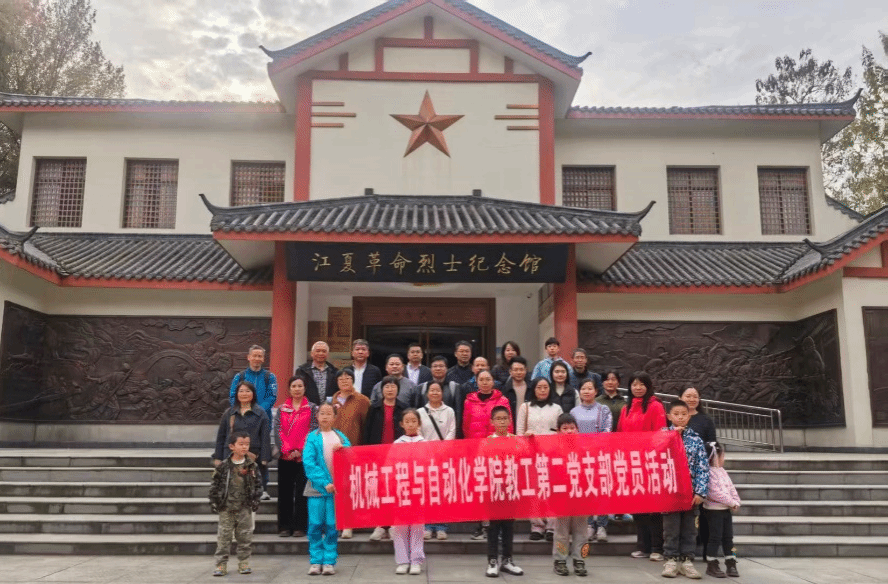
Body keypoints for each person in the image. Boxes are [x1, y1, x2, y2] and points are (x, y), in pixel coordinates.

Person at [618, 371, 667, 562]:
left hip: (650, 463)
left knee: (653, 507)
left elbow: (660, 435)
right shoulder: (626, 408)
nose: (637, 388)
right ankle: (643, 546)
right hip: (632, 464)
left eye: (641, 384)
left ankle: (657, 547)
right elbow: (620, 435)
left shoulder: (655, 406)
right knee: (638, 507)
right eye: (634, 384)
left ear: (648, 386)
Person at [661, 400, 709, 579]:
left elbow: (702, 467)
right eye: (676, 414)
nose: (680, 417)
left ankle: (687, 560)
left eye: (683, 414)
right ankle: (671, 560)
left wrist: (700, 492)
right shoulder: (662, 436)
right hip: (670, 492)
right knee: (671, 529)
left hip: (690, 493)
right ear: (669, 416)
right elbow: (656, 458)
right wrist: (673, 436)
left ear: (689, 417)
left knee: (690, 530)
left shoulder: (696, 440)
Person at [463, 370, 512, 540]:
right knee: (480, 489)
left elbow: (509, 425)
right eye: (481, 379)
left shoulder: (502, 400)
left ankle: (498, 527)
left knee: (498, 488)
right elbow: (466, 426)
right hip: (477, 450)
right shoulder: (469, 401)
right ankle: (480, 526)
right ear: (476, 382)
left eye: (488, 379)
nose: (484, 382)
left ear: (493, 381)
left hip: (498, 451)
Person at [303, 402, 350, 576]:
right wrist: (324, 482)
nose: (325, 416)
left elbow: (351, 455)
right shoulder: (312, 437)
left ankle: (329, 561)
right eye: (322, 413)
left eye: (329, 413)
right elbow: (309, 463)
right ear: (317, 416)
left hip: (336, 490)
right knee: (315, 525)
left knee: (332, 526)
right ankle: (316, 561)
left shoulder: (340, 437)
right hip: (316, 489)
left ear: (335, 417)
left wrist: (344, 449)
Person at [210, 431, 262, 577]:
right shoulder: (223, 466)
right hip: (226, 507)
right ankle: (221, 564)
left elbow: (258, 484)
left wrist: (255, 500)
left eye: (247, 444)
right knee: (224, 537)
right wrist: (215, 502)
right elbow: (215, 485)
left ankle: (244, 562)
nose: (245, 447)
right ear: (232, 446)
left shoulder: (252, 466)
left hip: (244, 507)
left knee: (244, 537)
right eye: (241, 444)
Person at [516, 377, 562, 541]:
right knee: (533, 490)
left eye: (545, 387)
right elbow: (519, 432)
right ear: (533, 389)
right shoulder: (525, 407)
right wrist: (526, 438)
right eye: (539, 387)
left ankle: (552, 526)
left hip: (551, 455)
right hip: (531, 455)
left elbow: (561, 432)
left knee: (551, 490)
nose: (542, 390)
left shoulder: (556, 408)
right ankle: (536, 525)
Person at [228, 345, 276, 496]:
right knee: (241, 451)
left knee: (261, 453)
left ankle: (263, 487)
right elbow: (232, 396)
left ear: (263, 358)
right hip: (242, 419)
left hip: (262, 420)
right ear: (248, 357)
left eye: (259, 356)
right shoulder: (240, 377)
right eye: (254, 355)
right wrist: (245, 409)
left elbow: (272, 397)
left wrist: (257, 411)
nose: (257, 359)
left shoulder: (269, 377)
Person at [275, 375, 318, 538]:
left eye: (300, 386)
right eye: (294, 386)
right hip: (285, 457)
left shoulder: (312, 408)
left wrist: (300, 450)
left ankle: (300, 526)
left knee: (302, 492)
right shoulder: (282, 408)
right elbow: (278, 430)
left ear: (305, 388)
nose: (297, 389)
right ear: (289, 389)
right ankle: (284, 526)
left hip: (304, 457)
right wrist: (287, 450)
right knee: (285, 493)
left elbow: (313, 430)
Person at [329, 368, 369, 540]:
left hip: (354, 451)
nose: (344, 381)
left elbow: (367, 426)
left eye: (348, 378)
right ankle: (337, 522)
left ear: (353, 380)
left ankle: (349, 524)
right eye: (341, 379)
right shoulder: (331, 401)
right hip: (333, 451)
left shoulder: (362, 401)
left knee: (351, 489)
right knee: (336, 489)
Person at [570, 379, 613, 543]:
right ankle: (588, 524)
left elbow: (607, 431)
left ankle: (602, 525)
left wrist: (594, 446)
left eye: (590, 388)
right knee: (586, 490)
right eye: (583, 388)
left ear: (596, 391)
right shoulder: (574, 412)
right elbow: (572, 433)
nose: (586, 391)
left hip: (600, 455)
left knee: (602, 490)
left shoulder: (603, 410)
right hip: (581, 456)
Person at [213, 380, 272, 500]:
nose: (244, 394)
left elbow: (265, 437)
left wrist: (265, 457)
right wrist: (218, 457)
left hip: (252, 455)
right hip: (230, 455)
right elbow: (221, 436)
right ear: (236, 394)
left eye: (247, 391)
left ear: (253, 394)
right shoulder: (229, 413)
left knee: (251, 490)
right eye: (241, 391)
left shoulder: (261, 413)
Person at [365, 376, 407, 541]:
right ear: (381, 390)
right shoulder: (374, 408)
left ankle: (395, 524)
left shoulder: (403, 408)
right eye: (387, 387)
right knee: (380, 491)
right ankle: (381, 525)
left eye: (393, 386)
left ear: (398, 390)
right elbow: (367, 431)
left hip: (398, 455)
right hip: (378, 456)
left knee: (396, 490)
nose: (390, 389)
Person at [485, 405, 524, 579]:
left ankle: (507, 560)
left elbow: (523, 459)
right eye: (498, 419)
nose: (502, 421)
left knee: (508, 527)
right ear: (492, 422)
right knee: (493, 528)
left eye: (504, 418)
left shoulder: (515, 440)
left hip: (510, 489)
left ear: (510, 421)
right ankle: (492, 561)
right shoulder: (488, 441)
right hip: (494, 490)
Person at [416, 381, 456, 540]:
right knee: (427, 492)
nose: (434, 393)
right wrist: (428, 449)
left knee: (442, 492)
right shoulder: (420, 412)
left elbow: (452, 430)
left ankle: (441, 527)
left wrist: (443, 448)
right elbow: (418, 432)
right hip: (425, 457)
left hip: (444, 457)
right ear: (427, 393)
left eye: (437, 390)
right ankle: (427, 526)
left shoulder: (449, 411)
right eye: (431, 390)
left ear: (442, 393)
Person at [680, 386, 717, 559]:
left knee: (701, 511)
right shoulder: (676, 418)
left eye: (695, 396)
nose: (691, 399)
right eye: (688, 396)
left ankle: (702, 546)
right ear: (680, 398)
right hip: (679, 472)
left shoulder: (705, 420)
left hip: (699, 471)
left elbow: (713, 444)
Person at [551, 413, 588, 577]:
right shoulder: (554, 451)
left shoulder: (584, 449)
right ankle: (560, 560)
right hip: (562, 497)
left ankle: (580, 560)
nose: (569, 431)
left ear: (578, 430)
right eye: (565, 428)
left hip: (581, 495)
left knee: (582, 532)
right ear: (558, 431)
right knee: (561, 532)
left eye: (572, 428)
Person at [390, 408, 426, 575]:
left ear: (419, 423)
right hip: (401, 488)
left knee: (418, 526)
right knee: (400, 526)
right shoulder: (397, 444)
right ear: (401, 424)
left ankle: (416, 560)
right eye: (407, 421)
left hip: (419, 488)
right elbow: (390, 465)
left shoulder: (424, 443)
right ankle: (402, 560)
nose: (411, 424)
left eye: (414, 421)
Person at [703, 442, 741, 578]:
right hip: (714, 510)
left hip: (726, 510)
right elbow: (714, 493)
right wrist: (731, 502)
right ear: (714, 457)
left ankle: (731, 562)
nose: (723, 458)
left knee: (728, 538)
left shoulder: (722, 471)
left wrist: (736, 501)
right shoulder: (708, 473)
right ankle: (711, 563)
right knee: (715, 537)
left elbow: (731, 487)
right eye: (722, 456)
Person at [501, 355, 529, 428]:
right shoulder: (504, 390)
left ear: (526, 370)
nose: (518, 372)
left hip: (529, 427)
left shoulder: (532, 388)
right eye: (515, 370)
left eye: (521, 369)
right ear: (510, 371)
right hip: (511, 427)